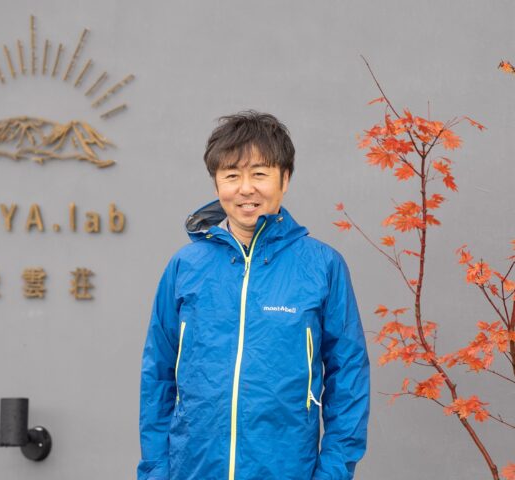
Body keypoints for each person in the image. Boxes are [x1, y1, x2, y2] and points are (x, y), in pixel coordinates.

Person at [137, 111, 370, 480]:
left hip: (287, 470)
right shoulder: (185, 267)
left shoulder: (322, 266)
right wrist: (156, 472)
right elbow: (158, 376)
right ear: (217, 183)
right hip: (193, 470)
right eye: (232, 175)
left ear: (285, 179)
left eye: (259, 174)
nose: (245, 189)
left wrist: (333, 473)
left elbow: (349, 378)